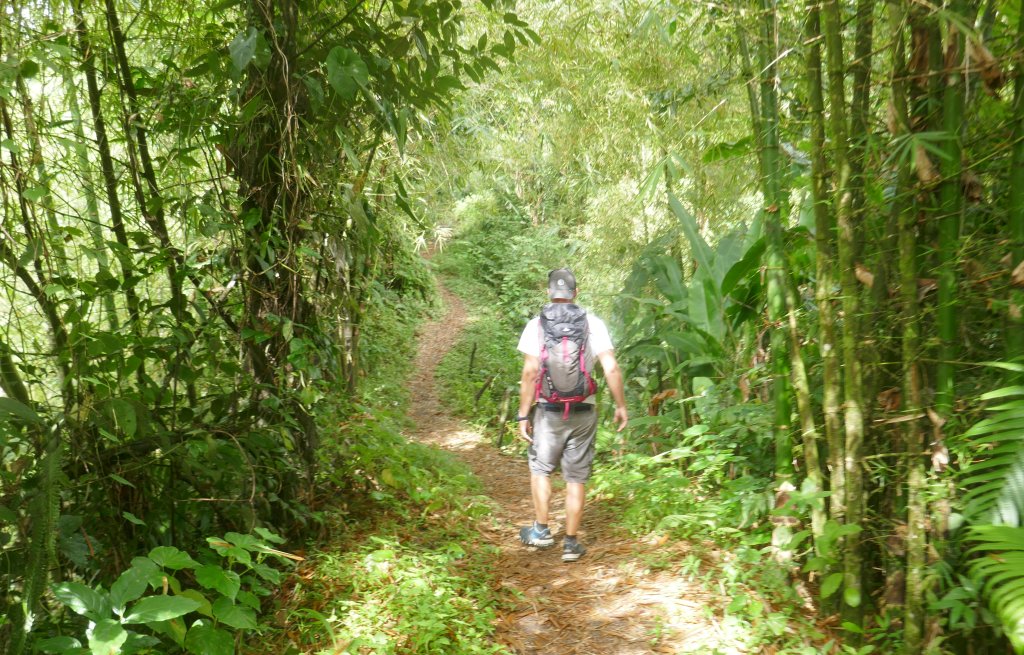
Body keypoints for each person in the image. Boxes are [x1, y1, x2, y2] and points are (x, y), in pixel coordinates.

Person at [515, 268, 628, 562]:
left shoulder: (536, 325)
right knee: (576, 476)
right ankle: (571, 543)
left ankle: (541, 530)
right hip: (584, 409)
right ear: (576, 294)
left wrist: (522, 414)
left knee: (541, 468)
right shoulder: (593, 323)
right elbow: (611, 368)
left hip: (548, 411)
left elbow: (529, 373)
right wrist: (621, 405)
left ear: (549, 293)